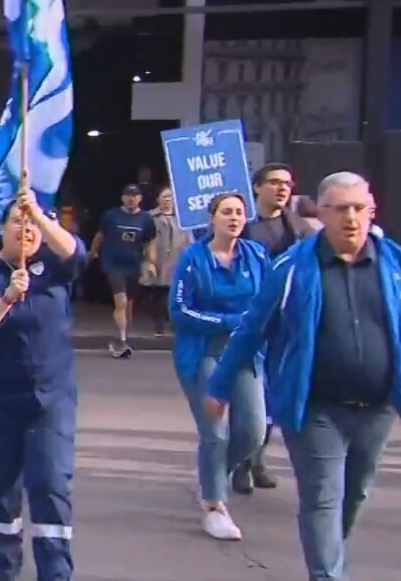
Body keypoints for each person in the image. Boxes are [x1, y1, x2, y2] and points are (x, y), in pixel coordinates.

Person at [205, 171, 401, 581]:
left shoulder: (400, 265)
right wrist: (221, 384)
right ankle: (326, 574)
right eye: (341, 208)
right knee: (323, 497)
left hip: (377, 407)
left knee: (354, 493)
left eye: (359, 208)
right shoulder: (293, 266)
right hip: (314, 407)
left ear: (371, 211)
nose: (351, 218)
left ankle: (329, 559)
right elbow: (254, 327)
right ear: (322, 214)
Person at [0, 191, 83, 581]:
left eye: (32, 223)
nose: (25, 229)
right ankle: (4, 571)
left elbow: (76, 253)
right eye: (17, 221)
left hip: (50, 399)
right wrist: (8, 296)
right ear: (1, 229)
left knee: (50, 485)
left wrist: (39, 216)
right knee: (2, 494)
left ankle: (55, 574)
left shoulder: (54, 266)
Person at [169, 192, 269, 540]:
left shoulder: (256, 256)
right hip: (203, 351)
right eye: (226, 212)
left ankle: (211, 477)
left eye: (240, 212)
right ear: (212, 218)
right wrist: (229, 321)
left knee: (254, 432)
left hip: (245, 353)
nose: (234, 217)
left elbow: (269, 299)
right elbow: (179, 310)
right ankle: (214, 504)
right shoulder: (193, 259)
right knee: (216, 430)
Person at [232, 162, 314, 495]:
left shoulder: (301, 229)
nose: (282, 189)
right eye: (275, 182)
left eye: (287, 184)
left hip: (285, 326)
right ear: (257, 188)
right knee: (246, 399)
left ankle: (259, 459)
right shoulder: (242, 226)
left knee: (272, 397)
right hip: (248, 322)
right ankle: (240, 463)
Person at [90, 183, 156, 358]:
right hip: (113, 264)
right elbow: (100, 235)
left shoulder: (145, 219)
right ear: (123, 198)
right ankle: (122, 339)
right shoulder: (111, 216)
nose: (131, 198)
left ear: (140, 199)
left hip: (133, 264)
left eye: (134, 196)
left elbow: (149, 241)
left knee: (129, 304)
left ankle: (124, 334)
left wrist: (149, 262)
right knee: (121, 301)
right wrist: (93, 251)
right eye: (128, 195)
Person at [140, 187, 190, 338]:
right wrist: (148, 259)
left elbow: (188, 239)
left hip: (177, 258)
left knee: (176, 294)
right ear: (158, 199)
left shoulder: (182, 217)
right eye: (164, 197)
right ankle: (159, 326)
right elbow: (144, 239)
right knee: (158, 293)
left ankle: (174, 325)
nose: (168, 200)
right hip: (157, 259)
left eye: (170, 197)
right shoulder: (150, 217)